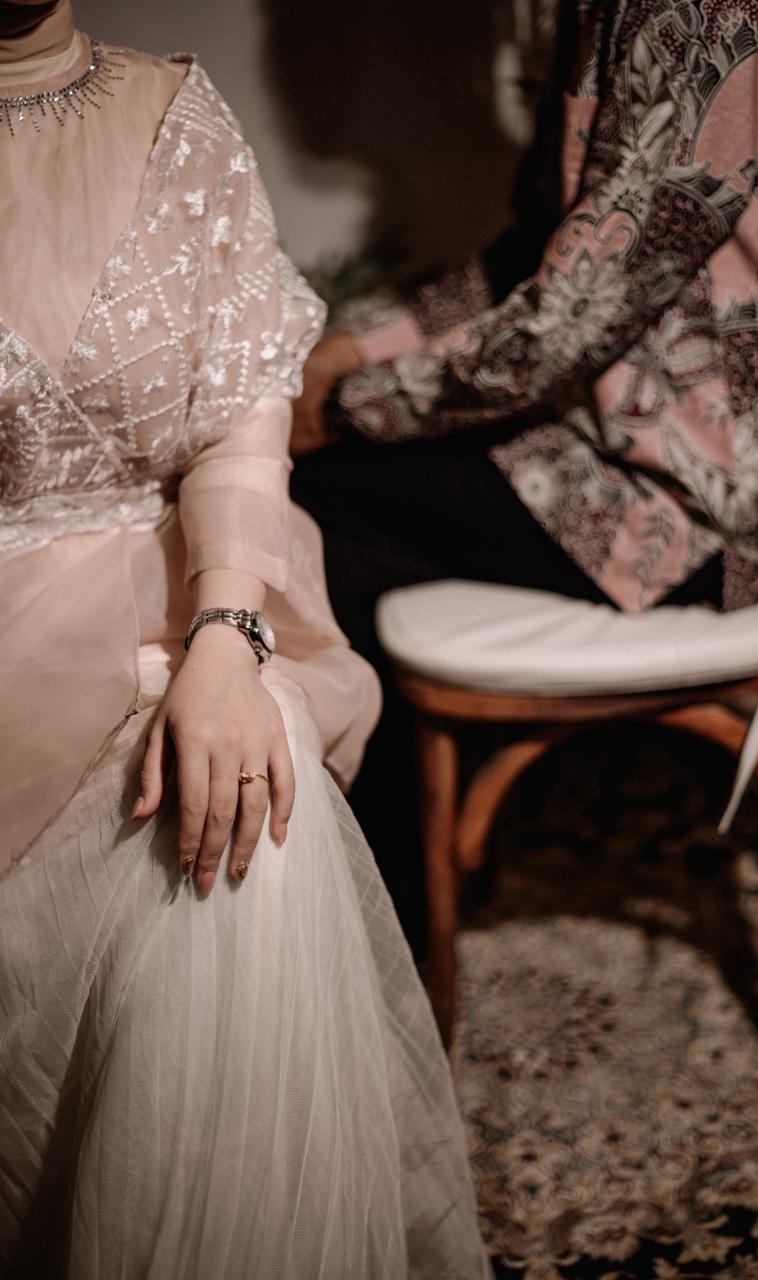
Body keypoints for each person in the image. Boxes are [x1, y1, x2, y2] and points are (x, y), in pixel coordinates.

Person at [0, 3, 491, 1276]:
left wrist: (225, 641)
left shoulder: (175, 119)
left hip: (174, 600)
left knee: (243, 808)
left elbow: (236, 419)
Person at [290, 0, 758, 949]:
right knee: (330, 486)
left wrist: (341, 408)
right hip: (592, 433)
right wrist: (351, 351)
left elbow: (569, 320)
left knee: (312, 512)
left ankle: (382, 944)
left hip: (700, 504)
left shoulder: (721, 9)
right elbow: (531, 256)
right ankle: (393, 889)